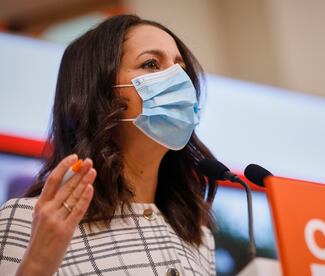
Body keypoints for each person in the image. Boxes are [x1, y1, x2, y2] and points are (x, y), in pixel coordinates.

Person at [0, 14, 217, 276]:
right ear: (99, 91)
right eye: (151, 64)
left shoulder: (199, 238)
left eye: (180, 68)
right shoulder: (28, 221)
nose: (177, 80)